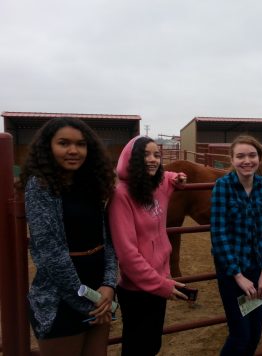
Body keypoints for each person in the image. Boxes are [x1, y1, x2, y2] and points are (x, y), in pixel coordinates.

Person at [19, 117, 117, 356]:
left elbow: (107, 241)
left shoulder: (92, 184)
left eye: (81, 144)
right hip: (60, 297)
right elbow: (51, 253)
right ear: (48, 147)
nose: (74, 150)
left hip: (98, 291)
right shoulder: (40, 186)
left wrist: (109, 284)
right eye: (64, 143)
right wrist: (89, 302)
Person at [108, 135, 188, 356]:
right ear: (131, 159)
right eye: (145, 155)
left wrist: (177, 177)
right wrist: (161, 285)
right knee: (137, 347)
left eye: (156, 155)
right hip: (138, 289)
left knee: (152, 345)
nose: (153, 160)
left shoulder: (156, 185)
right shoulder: (121, 195)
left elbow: (167, 177)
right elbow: (127, 255)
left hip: (159, 279)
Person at [210, 135, 262, 356]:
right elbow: (218, 233)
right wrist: (238, 275)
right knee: (240, 336)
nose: (246, 161)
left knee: (255, 334)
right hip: (232, 270)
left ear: (259, 157)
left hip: (259, 269)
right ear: (232, 159)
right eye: (240, 156)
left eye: (251, 155)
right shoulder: (223, 186)